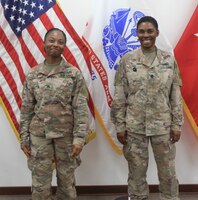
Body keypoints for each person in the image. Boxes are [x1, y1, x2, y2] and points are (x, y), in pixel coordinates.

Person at [111, 16, 183, 200]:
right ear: (137, 34)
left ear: (157, 33)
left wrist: (177, 124)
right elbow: (120, 96)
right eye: (142, 31)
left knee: (167, 172)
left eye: (150, 31)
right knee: (136, 172)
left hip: (163, 126)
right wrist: (120, 125)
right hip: (135, 126)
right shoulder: (127, 61)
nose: (146, 35)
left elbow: (175, 95)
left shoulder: (168, 60)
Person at [20, 28, 89, 200]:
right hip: (39, 136)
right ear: (44, 44)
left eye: (60, 42)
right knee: (40, 185)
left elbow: (80, 109)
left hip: (65, 135)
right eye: (51, 40)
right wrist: (24, 137)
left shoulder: (73, 74)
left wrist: (79, 138)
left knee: (67, 184)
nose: (55, 44)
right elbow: (27, 108)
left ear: (64, 46)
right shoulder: (33, 74)